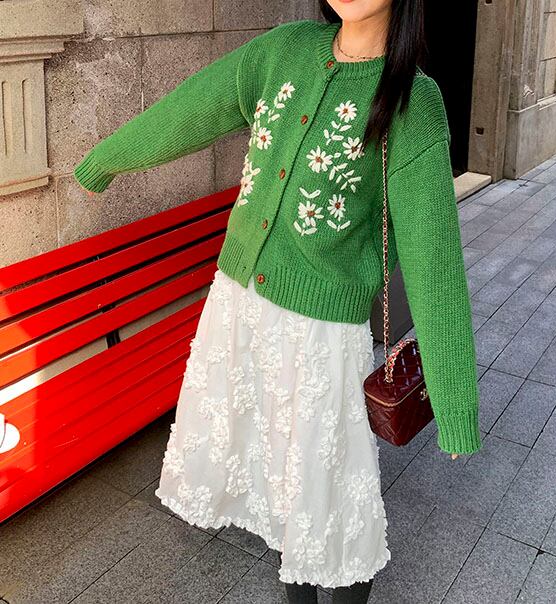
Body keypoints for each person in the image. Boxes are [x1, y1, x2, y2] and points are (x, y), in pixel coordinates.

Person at [74, 1, 483, 601]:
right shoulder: (284, 50)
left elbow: (433, 256)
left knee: (330, 496)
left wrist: (454, 401)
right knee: (281, 485)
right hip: (239, 308)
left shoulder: (411, 102)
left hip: (321, 335)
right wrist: (108, 158)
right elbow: (196, 107)